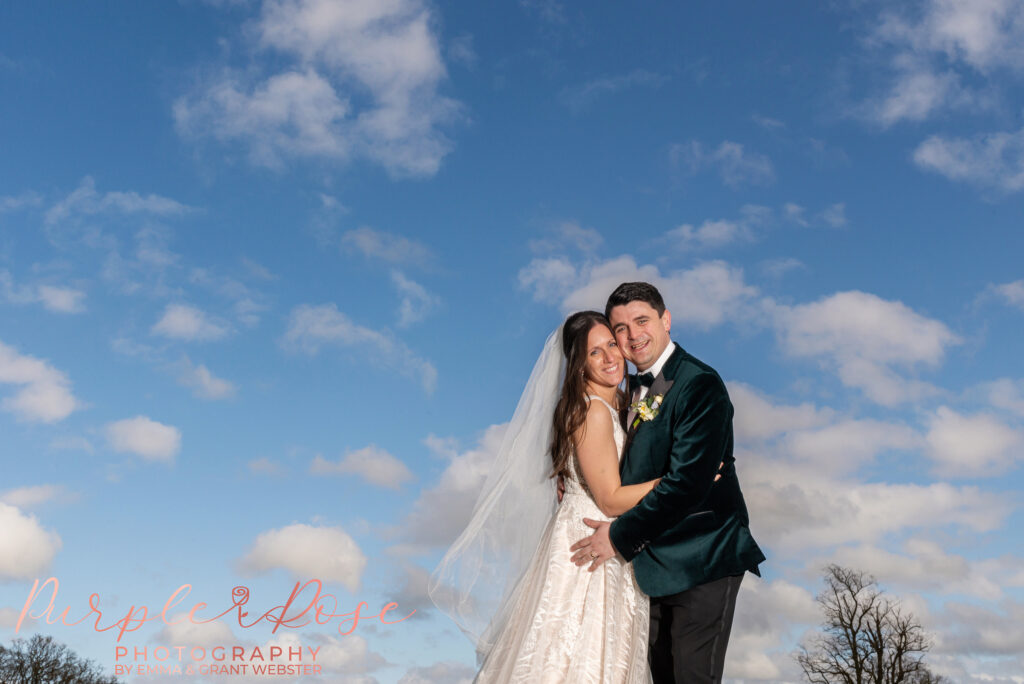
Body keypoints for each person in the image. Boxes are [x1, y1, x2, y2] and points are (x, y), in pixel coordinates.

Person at [430, 311, 662, 683]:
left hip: (601, 543)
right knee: (571, 655)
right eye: (594, 354)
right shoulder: (593, 412)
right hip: (590, 549)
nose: (609, 358)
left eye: (610, 346)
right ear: (578, 366)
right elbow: (609, 498)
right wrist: (674, 481)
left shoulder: (614, 407)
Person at [570, 282, 766, 684]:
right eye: (620, 328)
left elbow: (689, 485)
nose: (631, 335)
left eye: (642, 321)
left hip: (702, 554)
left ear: (666, 320)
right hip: (651, 564)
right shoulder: (639, 388)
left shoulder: (700, 384)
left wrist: (620, 538)